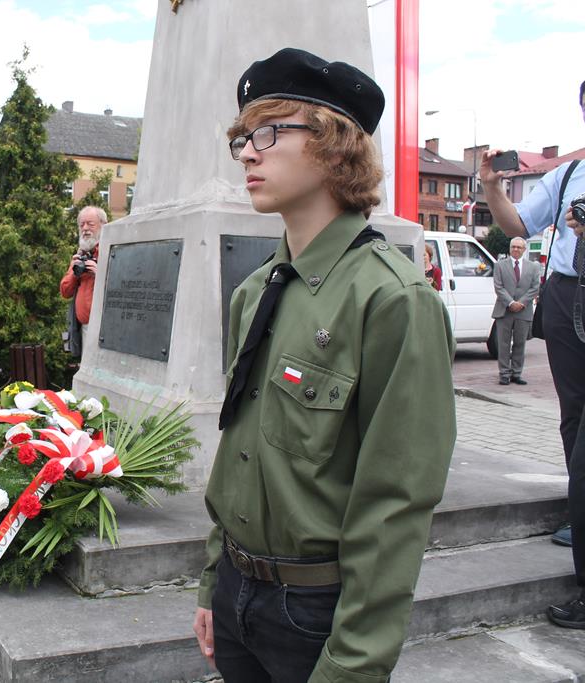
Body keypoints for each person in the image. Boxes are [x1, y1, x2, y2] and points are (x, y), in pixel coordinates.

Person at [192, 47, 456, 682]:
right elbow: (240, 452)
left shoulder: (393, 299)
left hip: (315, 612)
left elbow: (396, 502)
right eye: (242, 139)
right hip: (236, 593)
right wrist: (213, 583)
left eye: (268, 132)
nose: (247, 154)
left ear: (334, 144)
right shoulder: (255, 292)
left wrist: (354, 665)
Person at [479, 78, 585, 628]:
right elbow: (519, 225)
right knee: (574, 420)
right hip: (568, 296)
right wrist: (492, 188)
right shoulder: (567, 174)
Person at [491, 237, 540, 385]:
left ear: (524, 249)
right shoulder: (499, 265)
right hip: (504, 310)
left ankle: (516, 373)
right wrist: (511, 302)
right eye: (513, 247)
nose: (516, 249)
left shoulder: (533, 267)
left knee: (520, 343)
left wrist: (521, 303)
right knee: (503, 344)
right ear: (510, 248)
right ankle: (504, 374)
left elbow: (535, 287)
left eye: (519, 247)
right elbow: (498, 287)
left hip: (523, 311)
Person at [59, 206, 106, 357]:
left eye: (90, 224)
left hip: (106, 328)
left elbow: (123, 287)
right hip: (84, 328)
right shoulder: (81, 255)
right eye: (81, 225)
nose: (85, 228)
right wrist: (74, 272)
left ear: (103, 225)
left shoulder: (112, 251)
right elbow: (65, 291)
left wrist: (99, 273)